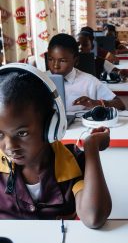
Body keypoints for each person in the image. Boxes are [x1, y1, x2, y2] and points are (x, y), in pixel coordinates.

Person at [0, 63, 112, 227]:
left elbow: (94, 217)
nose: (9, 146)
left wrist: (91, 147)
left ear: (51, 125)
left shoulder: (72, 161)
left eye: (22, 133)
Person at [47, 33, 126, 112]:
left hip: (78, 124)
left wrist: (96, 103)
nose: (55, 66)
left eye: (62, 61)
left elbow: (120, 105)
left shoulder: (89, 82)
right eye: (50, 59)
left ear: (76, 61)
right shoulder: (40, 80)